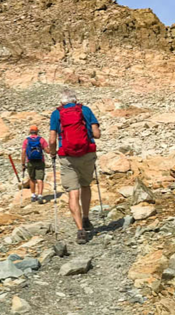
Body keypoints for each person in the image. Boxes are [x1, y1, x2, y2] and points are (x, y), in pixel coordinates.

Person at [49, 89, 101, 244]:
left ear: (62, 102)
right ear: (76, 100)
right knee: (86, 185)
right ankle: (86, 218)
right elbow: (97, 134)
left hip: (67, 157)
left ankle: (80, 230)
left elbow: (52, 140)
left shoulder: (56, 114)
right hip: (86, 154)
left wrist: (53, 154)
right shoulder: (85, 110)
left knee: (73, 193)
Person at [21, 125, 50, 204]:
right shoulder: (41, 140)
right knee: (40, 179)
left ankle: (33, 195)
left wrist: (23, 164)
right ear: (37, 131)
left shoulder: (26, 141)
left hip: (30, 161)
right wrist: (53, 150)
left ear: (30, 132)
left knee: (32, 178)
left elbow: (23, 152)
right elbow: (47, 150)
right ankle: (40, 195)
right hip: (40, 161)